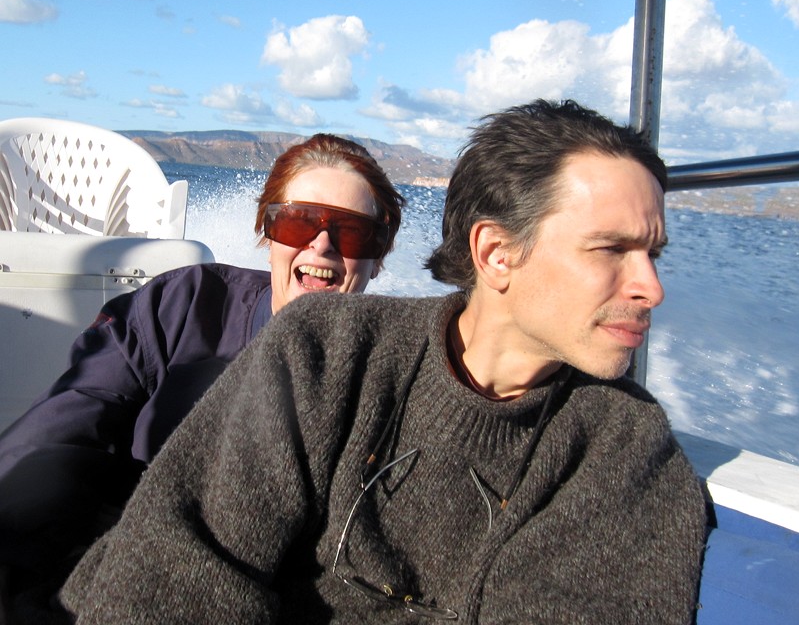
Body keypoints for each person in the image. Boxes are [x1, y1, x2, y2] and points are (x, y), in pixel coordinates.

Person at [59, 100, 708, 624]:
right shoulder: (326, 352)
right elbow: (179, 571)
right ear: (496, 253)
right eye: (611, 249)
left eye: (653, 254)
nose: (651, 288)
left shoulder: (629, 455)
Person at [0, 133, 404, 622]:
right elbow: (63, 430)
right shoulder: (182, 307)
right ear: (267, 234)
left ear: (378, 258)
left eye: (352, 232)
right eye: (298, 222)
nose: (321, 245)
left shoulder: (394, 377)